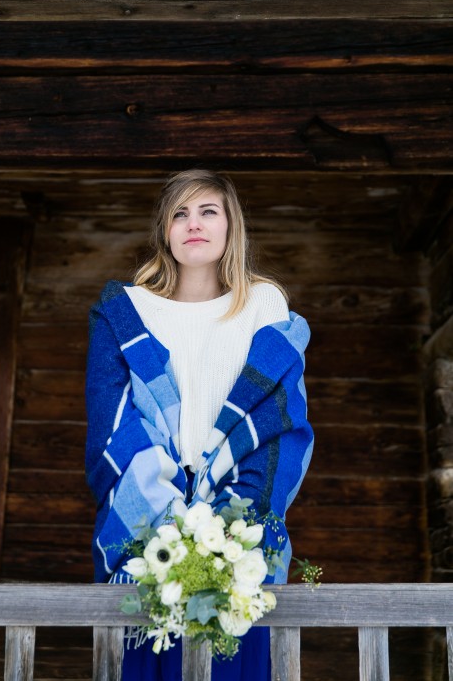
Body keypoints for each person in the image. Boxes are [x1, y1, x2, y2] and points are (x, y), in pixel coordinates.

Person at [85, 169, 314, 681]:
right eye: (179, 214)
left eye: (208, 211)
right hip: (150, 528)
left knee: (236, 660)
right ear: (164, 230)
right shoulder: (126, 312)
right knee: (151, 657)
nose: (194, 224)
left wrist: (231, 524)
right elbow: (112, 421)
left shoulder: (263, 306)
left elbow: (281, 424)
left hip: (239, 532)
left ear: (231, 225)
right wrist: (169, 527)